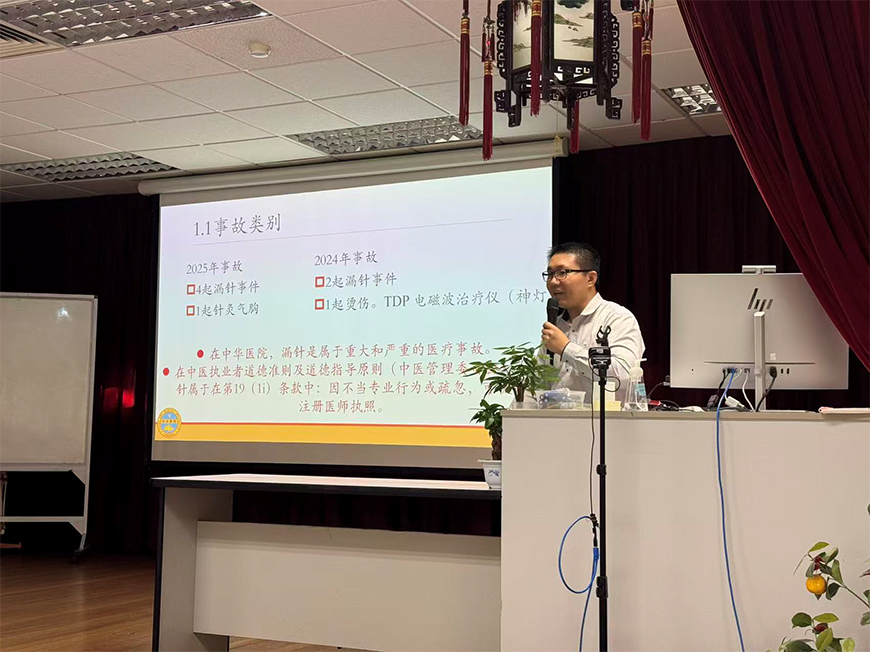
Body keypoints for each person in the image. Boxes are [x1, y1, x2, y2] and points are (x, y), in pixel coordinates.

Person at [540, 242, 645, 403]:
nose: (553, 281)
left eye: (562, 273)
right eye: (550, 274)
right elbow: (539, 384)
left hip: (608, 418)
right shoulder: (555, 326)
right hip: (559, 418)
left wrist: (566, 348)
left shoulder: (617, 318)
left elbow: (624, 375)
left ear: (590, 278)